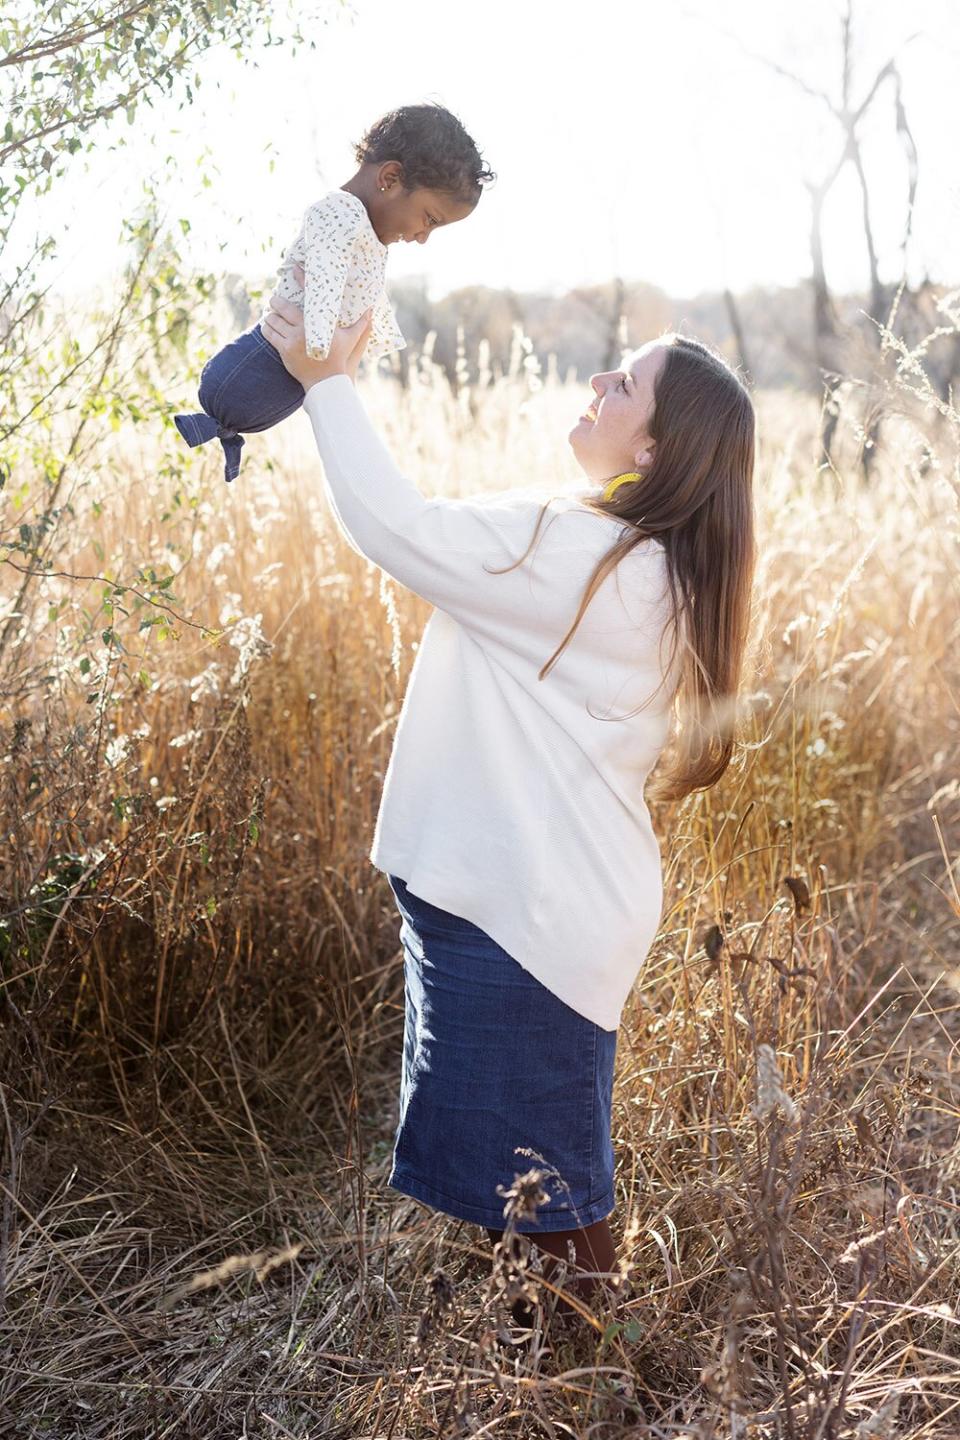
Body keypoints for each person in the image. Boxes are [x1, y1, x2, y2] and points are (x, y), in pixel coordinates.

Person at [260, 291, 757, 1332]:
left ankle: (583, 1389)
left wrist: (324, 380)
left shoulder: (591, 559)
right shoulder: (638, 563)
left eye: (622, 383)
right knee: (537, 1199)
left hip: (530, 918)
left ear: (658, 444)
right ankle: (561, 1381)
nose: (596, 384)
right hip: (542, 907)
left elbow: (394, 527)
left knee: (553, 1210)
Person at [174, 103, 492, 482]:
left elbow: (369, 298)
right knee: (234, 397)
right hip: (274, 361)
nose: (423, 237)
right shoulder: (338, 214)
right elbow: (323, 282)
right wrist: (323, 350)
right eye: (429, 219)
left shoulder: (368, 235)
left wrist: (347, 363)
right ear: (390, 179)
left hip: (304, 370)